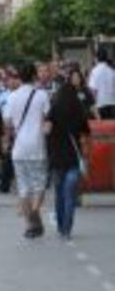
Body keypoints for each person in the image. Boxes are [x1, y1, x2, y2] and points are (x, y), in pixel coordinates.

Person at [4, 62, 51, 239]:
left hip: (19, 148)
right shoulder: (42, 95)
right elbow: (47, 120)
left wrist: (7, 140)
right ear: (34, 76)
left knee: (23, 188)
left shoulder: (12, 97)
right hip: (37, 146)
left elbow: (7, 124)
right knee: (39, 185)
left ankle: (30, 225)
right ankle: (34, 214)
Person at [46, 71, 91, 240]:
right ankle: (67, 228)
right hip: (73, 158)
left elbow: (46, 129)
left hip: (57, 159)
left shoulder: (54, 108)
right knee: (70, 195)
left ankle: (60, 226)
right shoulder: (79, 109)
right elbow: (86, 132)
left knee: (59, 194)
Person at [88, 45, 115, 119]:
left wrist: (93, 104)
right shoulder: (112, 71)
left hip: (100, 104)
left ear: (96, 58)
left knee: (102, 126)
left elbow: (93, 90)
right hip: (113, 104)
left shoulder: (94, 71)